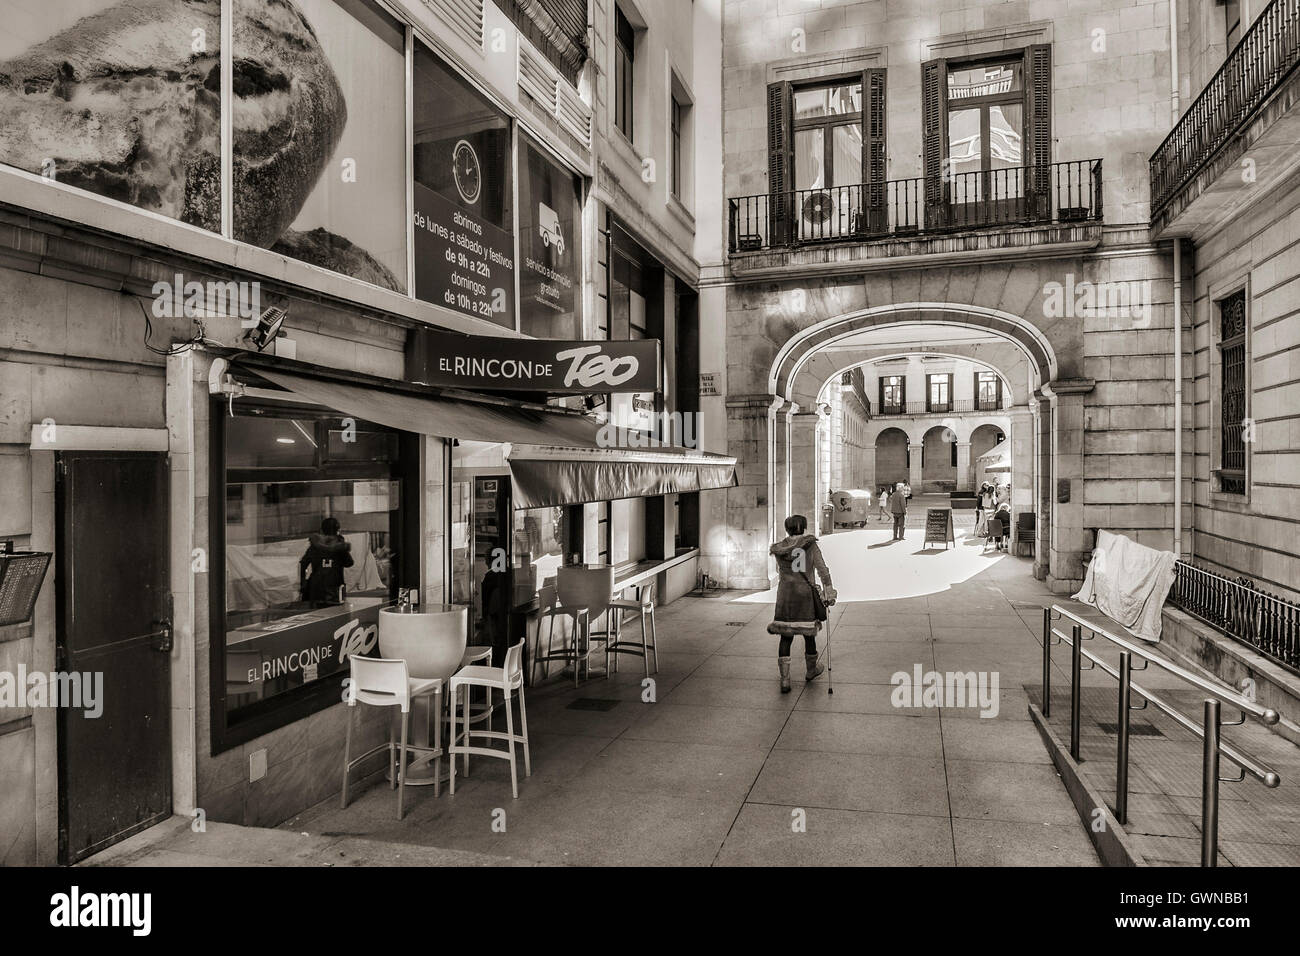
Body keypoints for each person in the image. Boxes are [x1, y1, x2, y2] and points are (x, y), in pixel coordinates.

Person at [767, 514, 836, 693]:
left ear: (787, 529)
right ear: (803, 528)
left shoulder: (779, 549)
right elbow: (822, 569)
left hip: (785, 596)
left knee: (786, 635)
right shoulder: (810, 545)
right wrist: (828, 589)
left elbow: (780, 570)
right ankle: (811, 670)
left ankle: (785, 679)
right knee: (808, 635)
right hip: (805, 596)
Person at [300, 517, 354, 606]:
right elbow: (349, 563)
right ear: (338, 530)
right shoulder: (340, 547)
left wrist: (303, 582)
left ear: (322, 530)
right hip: (335, 590)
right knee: (336, 615)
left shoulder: (314, 547)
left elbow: (303, 563)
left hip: (316, 589)